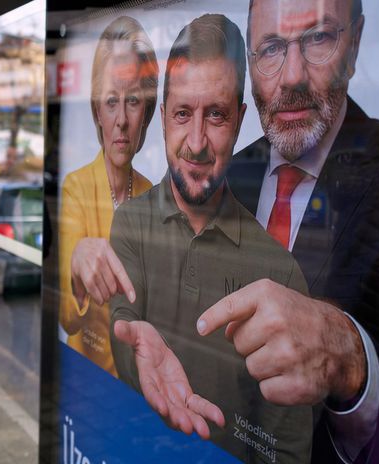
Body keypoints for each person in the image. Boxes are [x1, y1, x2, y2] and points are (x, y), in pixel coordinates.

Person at [223, 0, 379, 461]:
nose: (292, 76)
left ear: (354, 46)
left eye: (318, 38)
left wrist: (351, 364)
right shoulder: (228, 175)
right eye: (271, 48)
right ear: (251, 64)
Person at [108, 15, 313, 462]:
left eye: (216, 115)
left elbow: (287, 451)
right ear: (164, 117)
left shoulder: (280, 274)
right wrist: (134, 349)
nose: (197, 142)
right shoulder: (130, 224)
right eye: (183, 113)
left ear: (240, 120)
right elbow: (121, 324)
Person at [58, 15, 158, 376]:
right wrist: (75, 268)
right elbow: (67, 318)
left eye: (133, 101)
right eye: (111, 101)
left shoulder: (154, 196)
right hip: (90, 384)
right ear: (97, 111)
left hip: (141, 388)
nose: (122, 120)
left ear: (146, 112)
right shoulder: (76, 188)